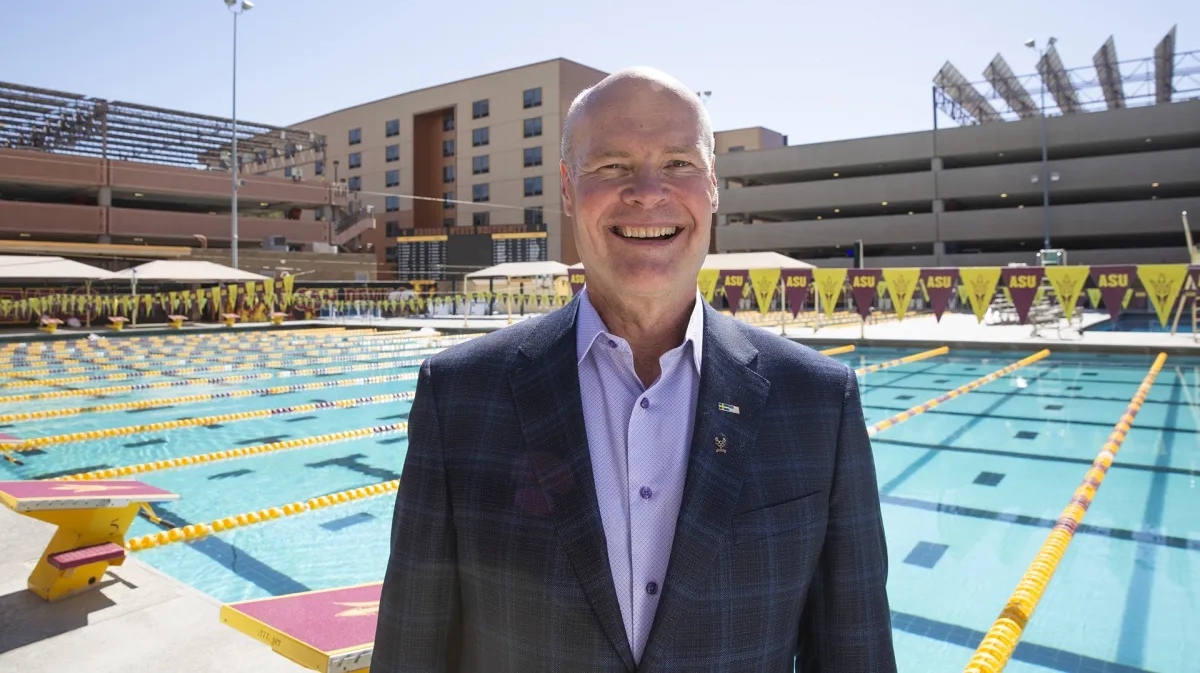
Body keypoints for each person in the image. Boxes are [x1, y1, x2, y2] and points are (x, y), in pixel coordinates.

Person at [372, 67, 896, 672]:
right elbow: (410, 652)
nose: (649, 192)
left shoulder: (818, 403)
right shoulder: (460, 398)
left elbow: (856, 654)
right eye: (612, 166)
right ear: (568, 189)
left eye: (679, 163)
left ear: (713, 186)